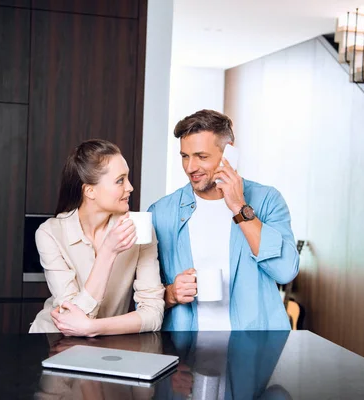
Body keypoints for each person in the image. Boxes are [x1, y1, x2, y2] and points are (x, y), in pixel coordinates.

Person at [148, 109, 299, 331]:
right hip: (184, 349)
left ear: (228, 155)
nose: (190, 167)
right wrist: (171, 294)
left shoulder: (267, 200)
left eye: (201, 156)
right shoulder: (161, 212)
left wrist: (239, 207)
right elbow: (140, 297)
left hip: (254, 350)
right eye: (185, 156)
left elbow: (285, 271)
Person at [29, 139, 165, 336]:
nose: (130, 187)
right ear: (89, 191)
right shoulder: (49, 233)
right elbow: (70, 319)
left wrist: (93, 328)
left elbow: (153, 314)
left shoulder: (139, 229)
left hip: (106, 341)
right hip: (53, 340)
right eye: (120, 180)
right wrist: (108, 252)